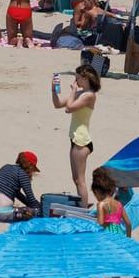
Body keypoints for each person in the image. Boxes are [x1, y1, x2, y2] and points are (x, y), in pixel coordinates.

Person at [53, 66, 99, 201]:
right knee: (76, 179)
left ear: (86, 78)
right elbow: (58, 104)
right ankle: (82, 207)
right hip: (75, 138)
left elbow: (69, 108)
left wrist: (73, 91)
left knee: (80, 181)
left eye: (77, 78)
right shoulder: (80, 94)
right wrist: (54, 90)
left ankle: (83, 210)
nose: (75, 81)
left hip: (82, 141)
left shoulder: (89, 95)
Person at [0, 152, 40, 222]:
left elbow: (17, 194)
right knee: (30, 212)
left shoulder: (6, 167)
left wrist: (28, 203)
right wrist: (41, 209)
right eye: (33, 169)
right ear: (30, 165)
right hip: (3, 214)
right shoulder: (23, 175)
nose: (33, 172)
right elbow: (31, 199)